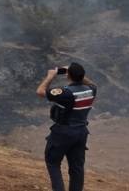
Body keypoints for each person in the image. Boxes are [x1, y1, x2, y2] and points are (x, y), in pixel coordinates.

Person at [35, 62, 97, 191]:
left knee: (53, 163)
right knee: (77, 168)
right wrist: (77, 74)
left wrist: (50, 76)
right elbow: (91, 83)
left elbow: (40, 92)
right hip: (81, 132)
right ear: (82, 76)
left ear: (68, 76)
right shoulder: (91, 90)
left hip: (63, 132)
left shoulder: (67, 93)